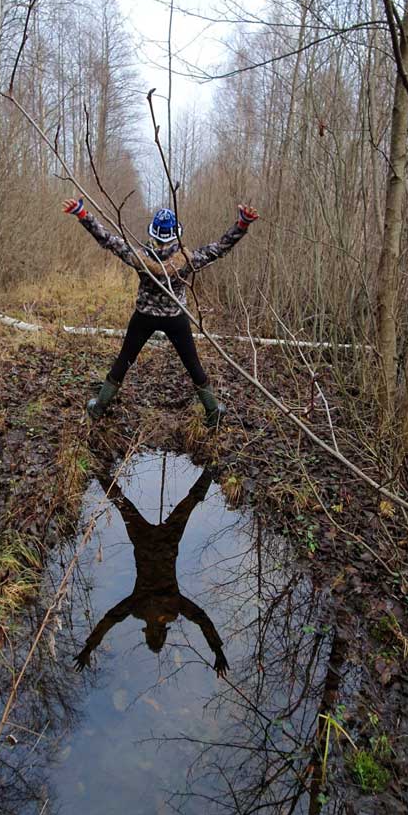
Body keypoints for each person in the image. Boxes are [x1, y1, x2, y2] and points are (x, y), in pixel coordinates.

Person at [62, 197, 259, 425]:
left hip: (143, 317)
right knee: (192, 363)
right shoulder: (187, 259)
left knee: (124, 360)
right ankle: (213, 411)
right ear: (175, 233)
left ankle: (98, 408)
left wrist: (82, 214)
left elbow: (108, 240)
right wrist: (242, 225)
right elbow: (218, 249)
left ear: (153, 233)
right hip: (175, 319)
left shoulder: (140, 258)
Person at [73, 464, 228, 677]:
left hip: (155, 543)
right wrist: (216, 649)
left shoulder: (146, 608)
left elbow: (111, 619)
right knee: (126, 505)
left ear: (152, 632)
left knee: (129, 505)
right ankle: (210, 470)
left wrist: (89, 647)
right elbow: (200, 618)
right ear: (155, 632)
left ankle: (210, 470)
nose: (155, 628)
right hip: (158, 543)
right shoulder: (154, 608)